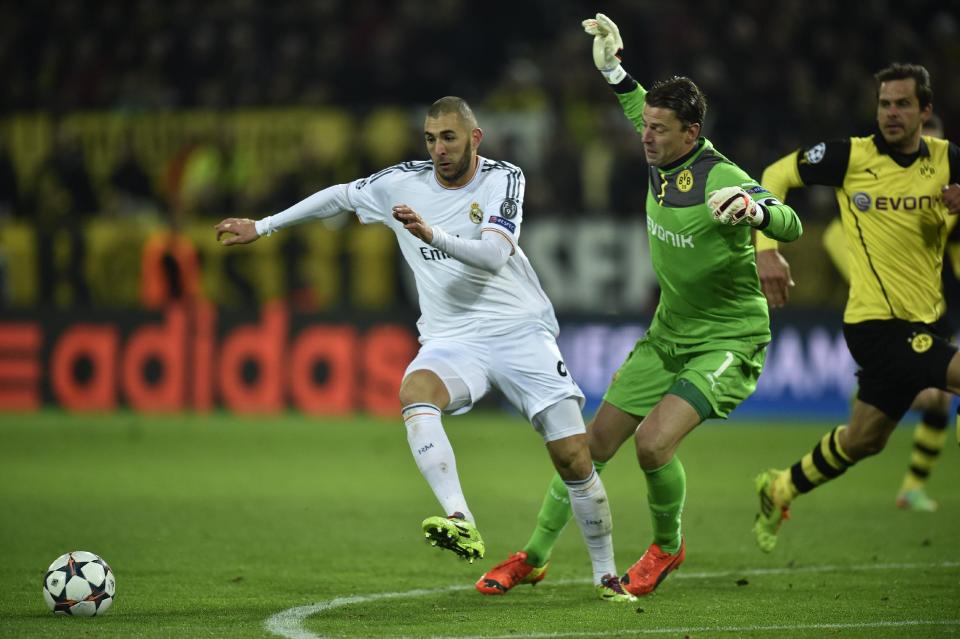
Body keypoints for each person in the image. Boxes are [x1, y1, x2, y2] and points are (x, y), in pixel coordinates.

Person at [214, 96, 636, 602]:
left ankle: (606, 573)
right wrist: (262, 226)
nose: (439, 149)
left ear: (474, 138)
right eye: (431, 139)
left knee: (573, 457)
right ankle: (460, 516)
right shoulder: (401, 182)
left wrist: (429, 232)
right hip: (452, 338)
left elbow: (495, 255)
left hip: (520, 332)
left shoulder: (504, 178)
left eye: (449, 138)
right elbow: (340, 196)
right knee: (415, 391)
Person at [477, 13, 802, 598]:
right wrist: (613, 70)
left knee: (653, 444)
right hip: (668, 333)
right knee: (588, 448)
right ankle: (534, 555)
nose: (645, 136)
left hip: (729, 337)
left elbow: (790, 219)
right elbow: (634, 105)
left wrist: (758, 216)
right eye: (645, 125)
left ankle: (666, 546)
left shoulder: (719, 175)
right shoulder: (661, 156)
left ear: (691, 131)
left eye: (659, 128)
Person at [752, 63, 960, 553]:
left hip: (926, 321)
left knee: (864, 439)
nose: (891, 113)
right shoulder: (850, 155)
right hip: (875, 325)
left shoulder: (948, 160)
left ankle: (780, 486)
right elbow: (776, 174)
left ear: (924, 110)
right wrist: (765, 246)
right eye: (885, 103)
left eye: (903, 104)